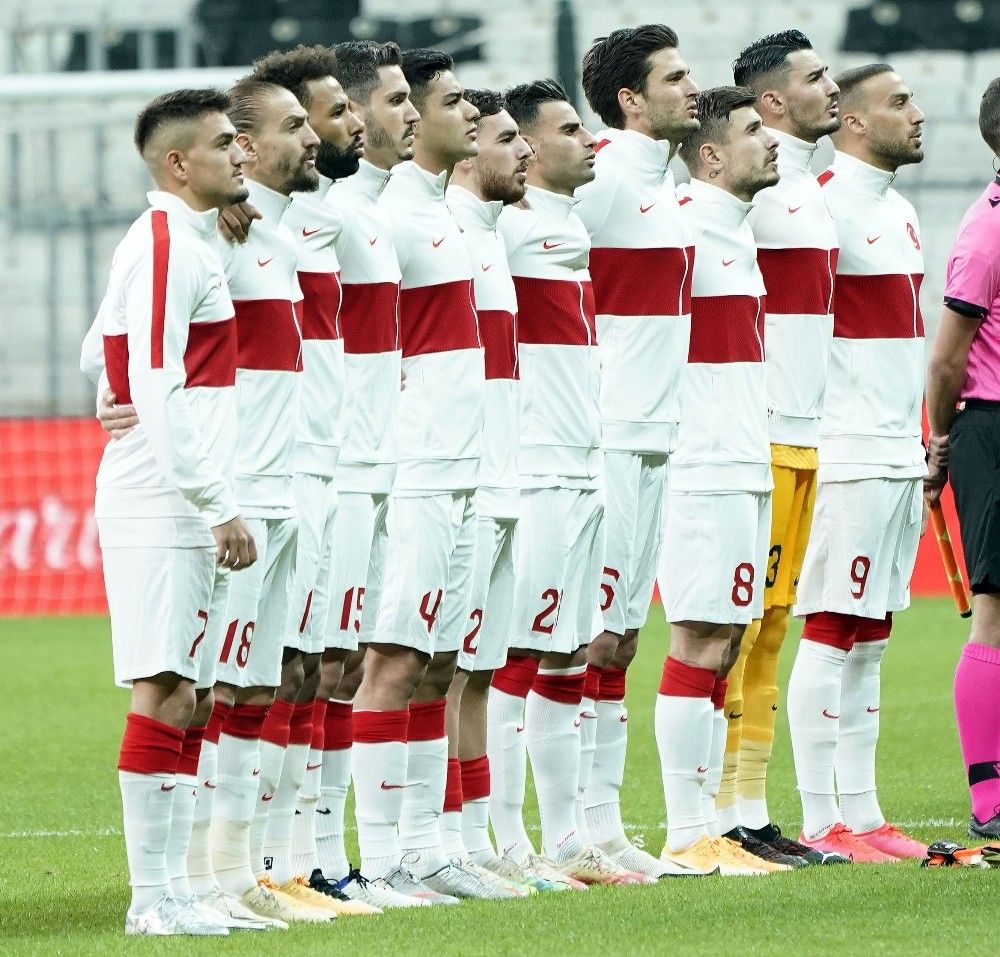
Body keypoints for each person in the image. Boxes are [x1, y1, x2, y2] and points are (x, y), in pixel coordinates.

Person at [89, 87, 256, 935]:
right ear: (178, 162)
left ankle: (177, 889)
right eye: (225, 143)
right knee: (165, 685)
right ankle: (150, 898)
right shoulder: (165, 246)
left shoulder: (183, 242)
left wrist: (104, 387)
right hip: (163, 501)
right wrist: (216, 502)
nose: (241, 153)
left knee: (192, 691)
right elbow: (155, 377)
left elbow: (103, 347)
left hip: (180, 496)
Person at [361, 48, 507, 901]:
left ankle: (427, 849)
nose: (464, 113)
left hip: (463, 471)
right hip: (412, 471)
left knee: (439, 660)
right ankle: (379, 856)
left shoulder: (444, 213)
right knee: (391, 660)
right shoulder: (386, 215)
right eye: (450, 101)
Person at [239, 45, 379, 916]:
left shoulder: (322, 220)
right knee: (262, 670)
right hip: (273, 475)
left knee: (313, 666)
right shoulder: (231, 227)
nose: (349, 126)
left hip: (330, 468)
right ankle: (252, 860)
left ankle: (300, 860)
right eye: (325, 116)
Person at [494, 78, 644, 887]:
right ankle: (503, 838)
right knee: (514, 653)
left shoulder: (567, 221)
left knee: (567, 653)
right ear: (523, 144)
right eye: (567, 130)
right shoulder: (505, 227)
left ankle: (567, 836)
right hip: (537, 466)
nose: (589, 141)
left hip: (585, 462)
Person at [787, 63, 929, 862]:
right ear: (851, 119)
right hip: (845, 449)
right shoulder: (823, 205)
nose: (917, 113)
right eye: (898, 102)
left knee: (873, 632)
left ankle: (866, 812)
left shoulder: (899, 208)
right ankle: (820, 818)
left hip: (896, 448)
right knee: (832, 625)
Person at [205, 78, 334, 923]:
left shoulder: (277, 241)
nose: (313, 137)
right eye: (295, 126)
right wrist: (116, 391)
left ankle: (238, 871)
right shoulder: (211, 238)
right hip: (239, 495)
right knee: (214, 688)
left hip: (286, 490)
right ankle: (196, 875)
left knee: (264, 685)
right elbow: (118, 341)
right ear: (244, 147)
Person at [575, 23, 698, 879]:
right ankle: (570, 830)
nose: (692, 88)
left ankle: (605, 827)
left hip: (656, 438)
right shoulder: (603, 172)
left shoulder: (667, 181)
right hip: (608, 436)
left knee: (619, 640)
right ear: (631, 99)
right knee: (588, 640)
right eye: (674, 77)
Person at [656, 86, 788, 877]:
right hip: (701, 462)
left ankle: (709, 827)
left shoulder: (735, 230)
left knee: (729, 638)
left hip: (743, 457)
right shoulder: (679, 224)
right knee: (699, 637)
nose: (769, 141)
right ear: (709, 155)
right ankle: (685, 832)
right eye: (750, 131)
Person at [723, 29, 844, 865]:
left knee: (771, 627)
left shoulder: (806, 188)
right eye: (814, 77)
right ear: (771, 100)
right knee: (737, 630)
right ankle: (719, 812)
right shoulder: (754, 193)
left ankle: (754, 811)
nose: (831, 87)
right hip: (759, 432)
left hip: (804, 435)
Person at [446, 89, 567, 893]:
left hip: (501, 475)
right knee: (437, 670)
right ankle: (434, 843)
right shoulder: (445, 230)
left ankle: (482, 839)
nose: (525, 151)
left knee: (478, 669)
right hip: (448, 480)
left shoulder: (493, 232)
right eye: (504, 139)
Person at [925, 77, 1000, 841]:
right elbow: (947, 358)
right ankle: (989, 794)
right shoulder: (987, 229)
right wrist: (942, 441)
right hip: (994, 428)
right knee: (995, 610)